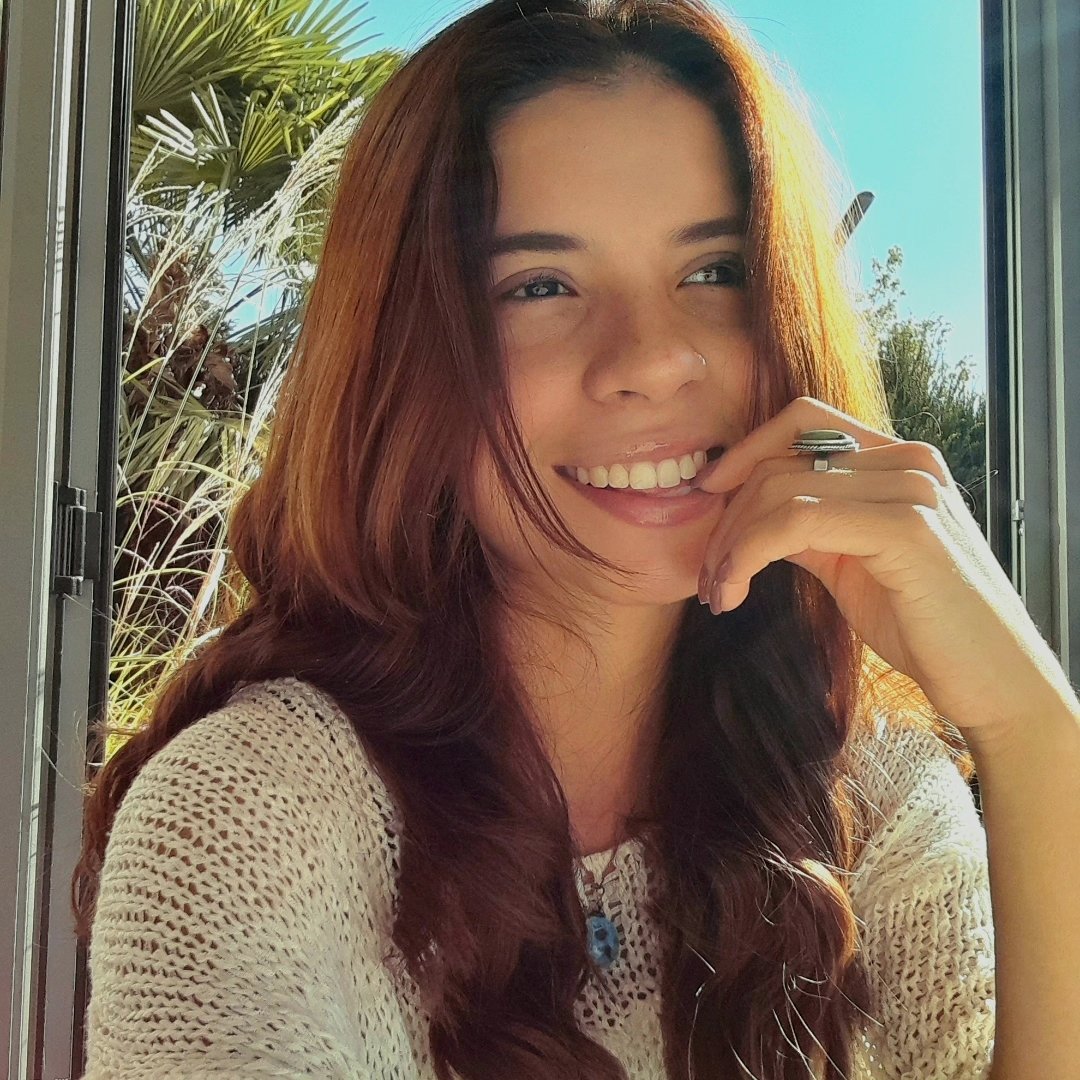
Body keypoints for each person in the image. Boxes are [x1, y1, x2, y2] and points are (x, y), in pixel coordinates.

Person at [72, 2, 1080, 1078]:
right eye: (541, 286)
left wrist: (1034, 735)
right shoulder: (247, 816)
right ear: (406, 357)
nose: (651, 359)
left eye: (715, 271)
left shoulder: (873, 797)